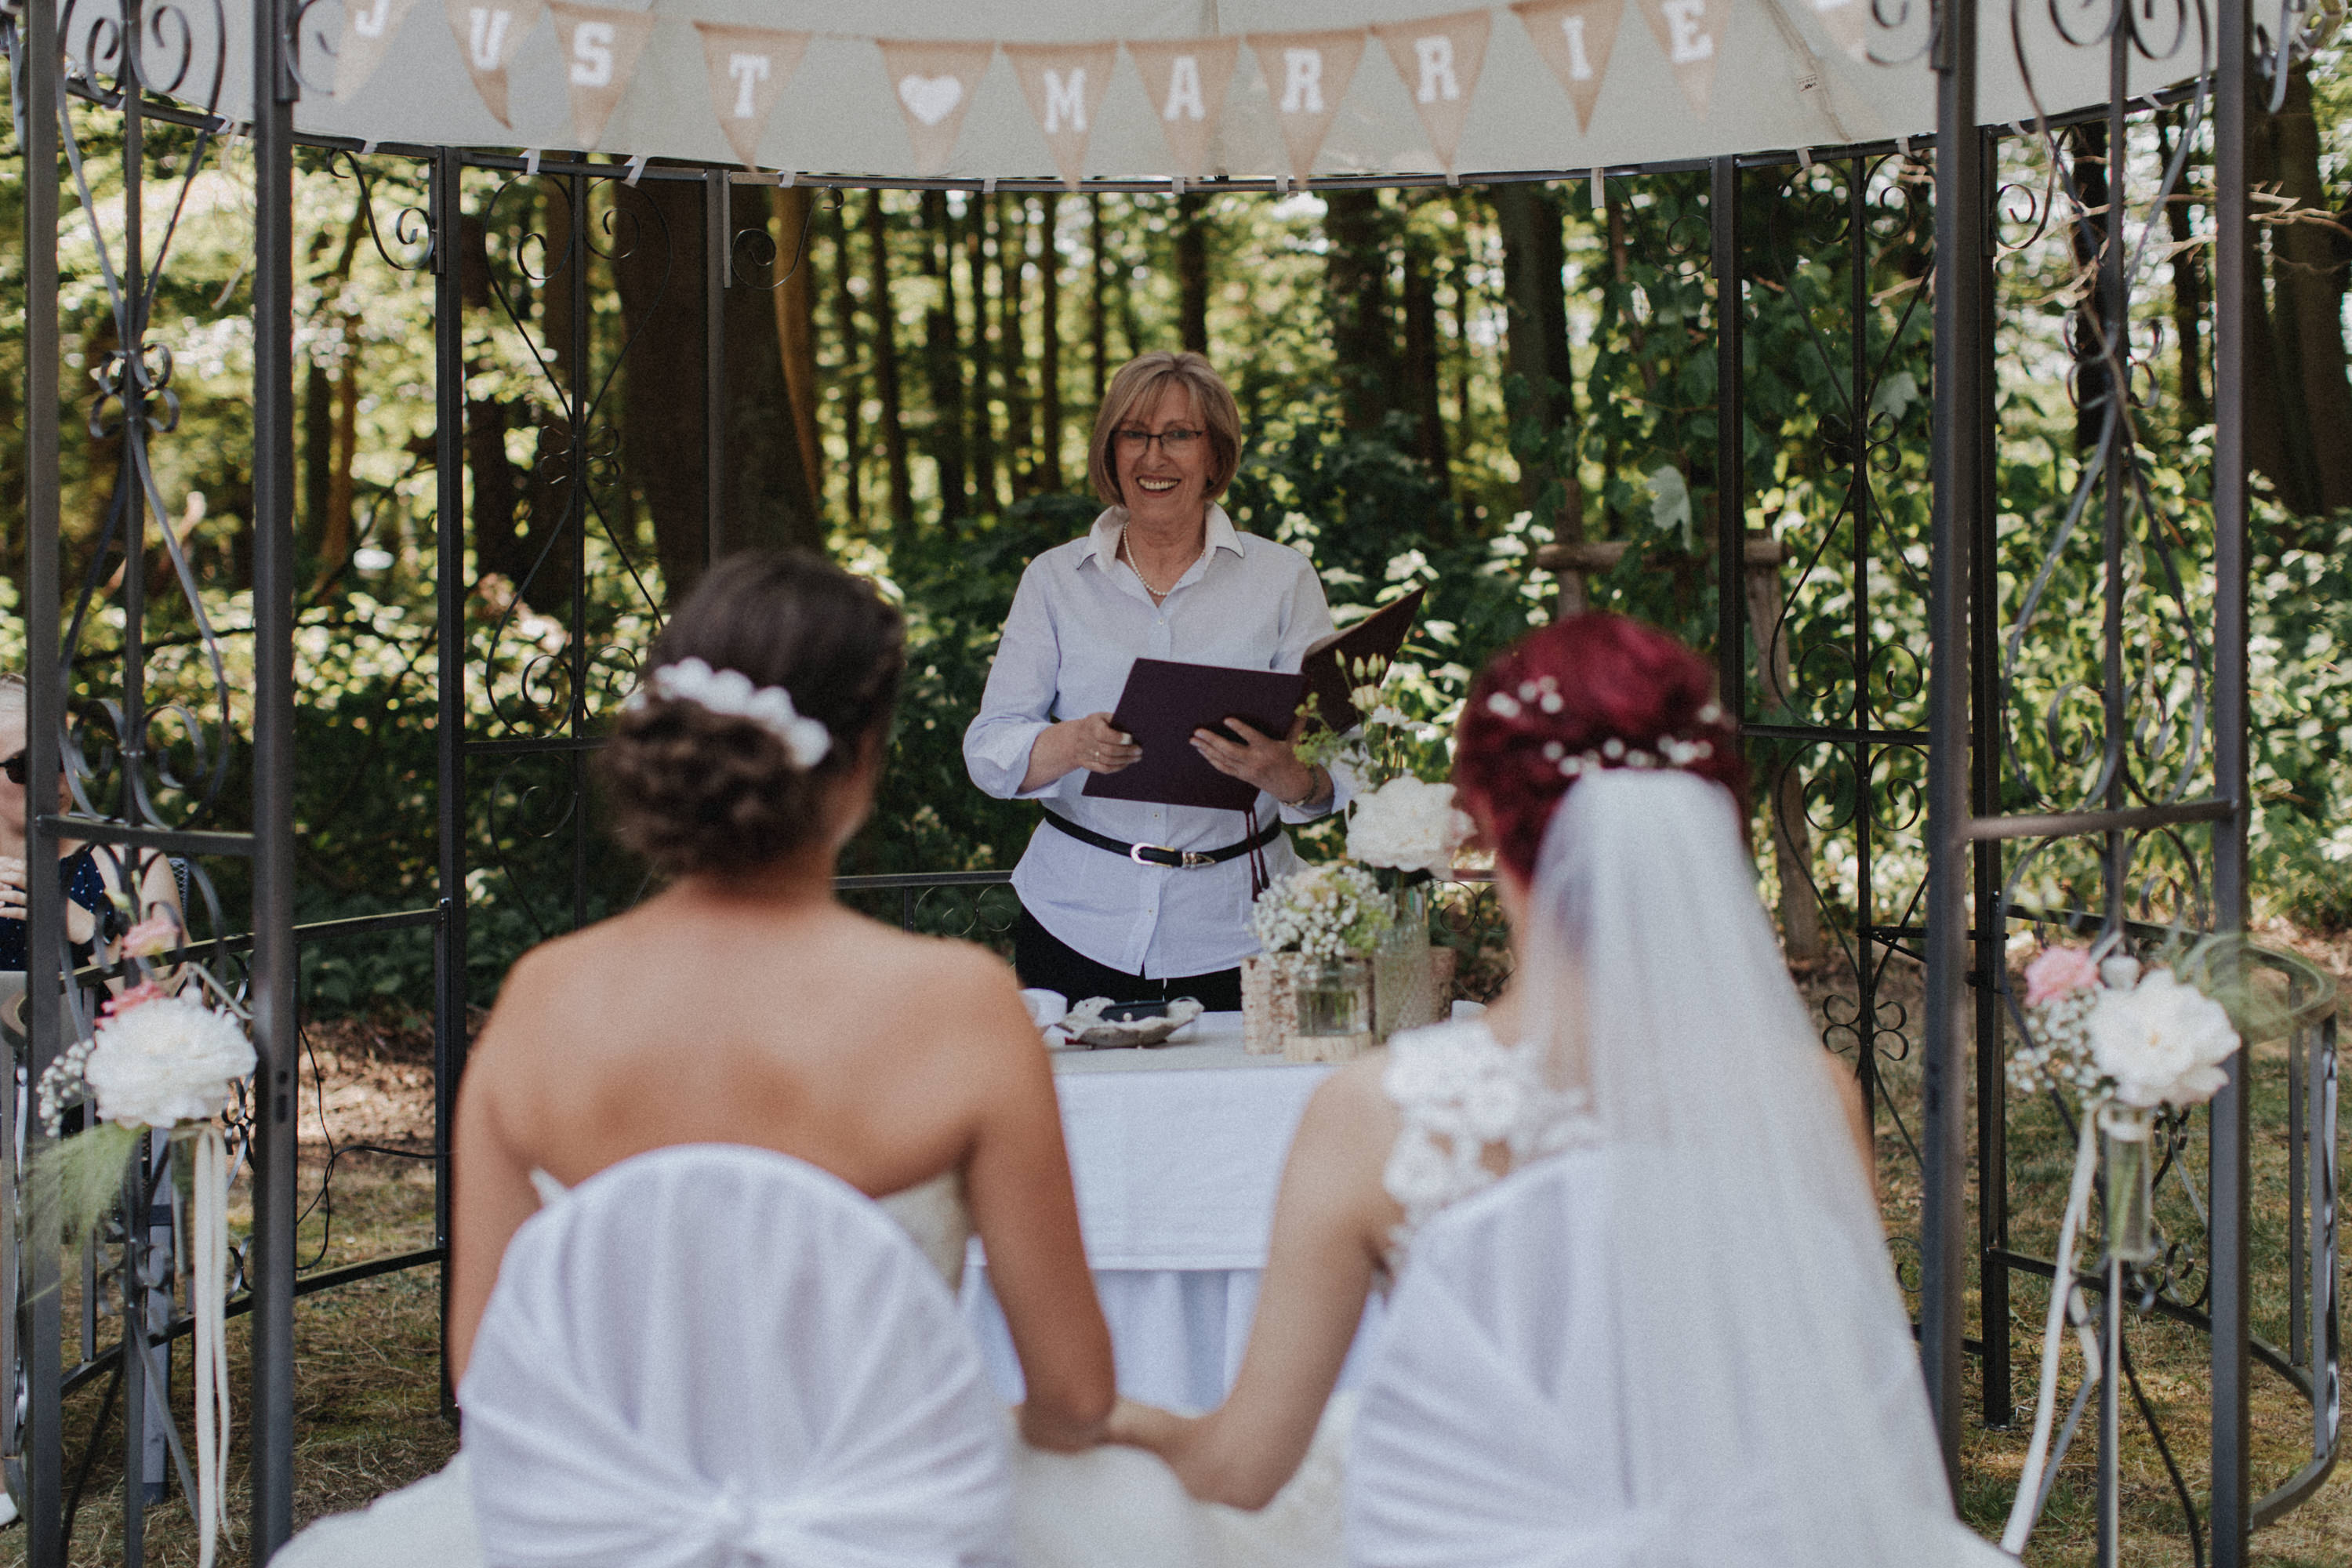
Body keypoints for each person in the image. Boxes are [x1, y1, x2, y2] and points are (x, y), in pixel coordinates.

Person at [274, 551, 1118, 1565]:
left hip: (605, 1536)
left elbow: (486, 1376)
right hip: (889, 1535)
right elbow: (1073, 1400)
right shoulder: (958, 1006)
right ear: (859, 761)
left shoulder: (546, 996)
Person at [1109, 613, 2002, 1566]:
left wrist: (1093, 1415)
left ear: (1484, 823)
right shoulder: (1811, 1096)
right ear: (1713, 820)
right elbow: (1835, 1416)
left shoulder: (1381, 1115)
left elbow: (1242, 1466)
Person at [964, 350, 1345, 1014]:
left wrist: (1287, 774)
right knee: (1084, 1120)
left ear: (1215, 456)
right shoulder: (1054, 581)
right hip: (1076, 921)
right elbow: (990, 747)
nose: (1154, 456)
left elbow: (1333, 759)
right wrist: (1073, 742)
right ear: (1111, 453)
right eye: (1133, 434)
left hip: (1243, 931)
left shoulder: (1283, 579)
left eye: (1178, 435)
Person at [0, 672, 180, 982]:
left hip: (98, 1032)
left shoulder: (129, 858)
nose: (49, 777)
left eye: (61, 758)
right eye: (25, 764)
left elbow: (180, 1002)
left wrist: (87, 928)